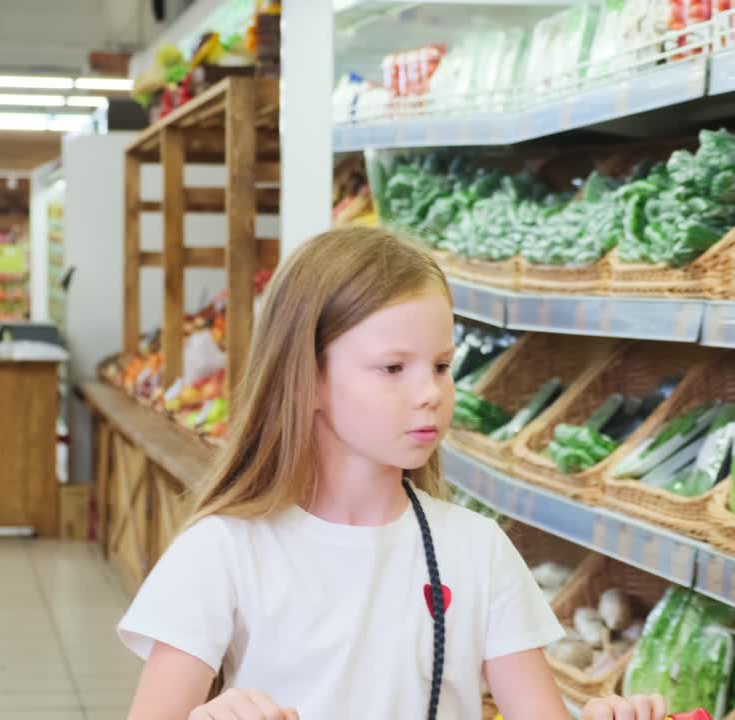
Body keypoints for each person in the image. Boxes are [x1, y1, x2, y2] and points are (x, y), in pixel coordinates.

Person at [119, 227, 667, 720]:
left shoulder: (477, 550)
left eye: (442, 367)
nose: (430, 393)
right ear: (307, 378)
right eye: (392, 369)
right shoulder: (223, 551)